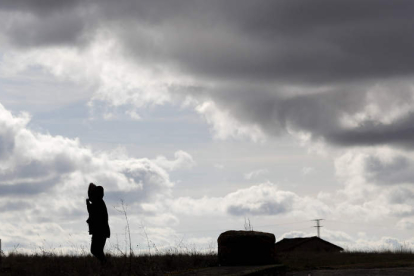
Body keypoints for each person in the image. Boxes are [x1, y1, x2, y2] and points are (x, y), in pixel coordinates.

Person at [86, 183, 110, 264]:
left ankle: (106, 265)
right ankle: (106, 266)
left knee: (95, 250)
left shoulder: (97, 202)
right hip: (100, 231)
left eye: (90, 192)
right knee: (97, 251)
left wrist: (88, 205)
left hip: (100, 231)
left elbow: (93, 215)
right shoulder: (98, 202)